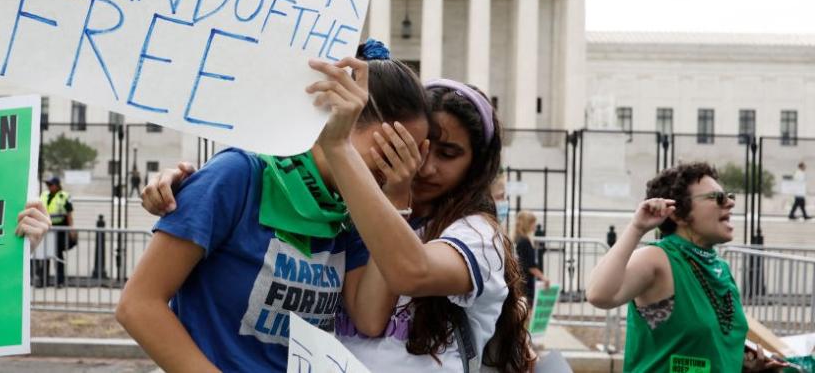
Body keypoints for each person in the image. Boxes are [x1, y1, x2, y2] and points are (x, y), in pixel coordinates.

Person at [141, 74, 535, 372]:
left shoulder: (476, 234)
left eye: (445, 153)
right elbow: (141, 302)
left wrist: (390, 194)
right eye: (406, 149)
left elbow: (402, 278)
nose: (422, 166)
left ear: (476, 166)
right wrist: (188, 189)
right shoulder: (340, 207)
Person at [115, 42, 432, 372]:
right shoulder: (238, 175)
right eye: (393, 150)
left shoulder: (350, 213)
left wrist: (396, 196)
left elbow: (368, 317)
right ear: (344, 120)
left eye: (413, 157)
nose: (401, 167)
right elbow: (138, 303)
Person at [586, 162, 788, 372]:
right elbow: (599, 294)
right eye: (717, 198)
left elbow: (704, 346)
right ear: (678, 214)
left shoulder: (719, 268)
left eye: (728, 195)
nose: (729, 203)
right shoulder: (659, 258)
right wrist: (637, 228)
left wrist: (744, 365)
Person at [35, 176, 74, 287]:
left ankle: (60, 281)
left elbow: (69, 214)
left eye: (51, 184)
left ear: (57, 185)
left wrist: (71, 228)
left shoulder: (64, 196)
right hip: (45, 230)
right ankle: (43, 280)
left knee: (58, 256)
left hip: (59, 230)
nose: (49, 186)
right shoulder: (44, 195)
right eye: (48, 184)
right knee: (44, 256)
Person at [514, 211, 548, 307]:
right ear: (527, 224)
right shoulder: (525, 241)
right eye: (533, 223)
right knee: (528, 308)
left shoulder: (517, 238)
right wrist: (544, 278)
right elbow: (530, 265)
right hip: (526, 281)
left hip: (519, 279)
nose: (535, 225)